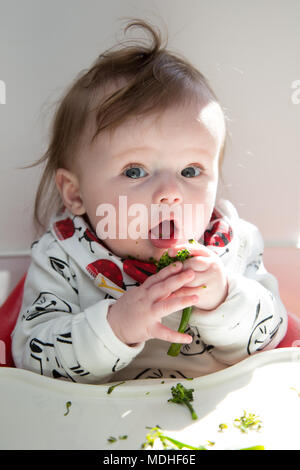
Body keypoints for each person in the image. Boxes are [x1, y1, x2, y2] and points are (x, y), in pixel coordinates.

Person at [11, 19, 287, 383]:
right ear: (75, 193)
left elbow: (272, 335)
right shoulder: (63, 257)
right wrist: (114, 328)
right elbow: (32, 358)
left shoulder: (231, 245)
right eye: (136, 171)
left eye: (190, 171)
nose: (170, 193)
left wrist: (223, 297)